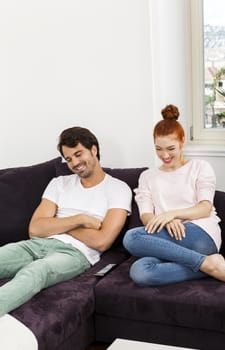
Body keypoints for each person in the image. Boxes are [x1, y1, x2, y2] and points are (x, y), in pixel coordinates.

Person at [0, 126, 132, 316]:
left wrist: (56, 222)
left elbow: (102, 241)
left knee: (35, 271)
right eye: (69, 159)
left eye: (79, 154)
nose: (75, 163)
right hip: (37, 244)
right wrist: (80, 220)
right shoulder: (59, 183)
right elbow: (35, 229)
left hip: (74, 253)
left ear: (93, 150)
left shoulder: (118, 189)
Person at [123, 104, 225, 286]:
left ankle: (205, 260)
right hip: (167, 238)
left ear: (182, 141)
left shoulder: (200, 167)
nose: (164, 155)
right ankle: (208, 264)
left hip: (201, 235)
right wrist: (166, 222)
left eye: (170, 148)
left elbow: (204, 208)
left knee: (132, 238)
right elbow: (146, 216)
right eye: (158, 149)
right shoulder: (148, 176)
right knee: (140, 271)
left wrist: (172, 214)